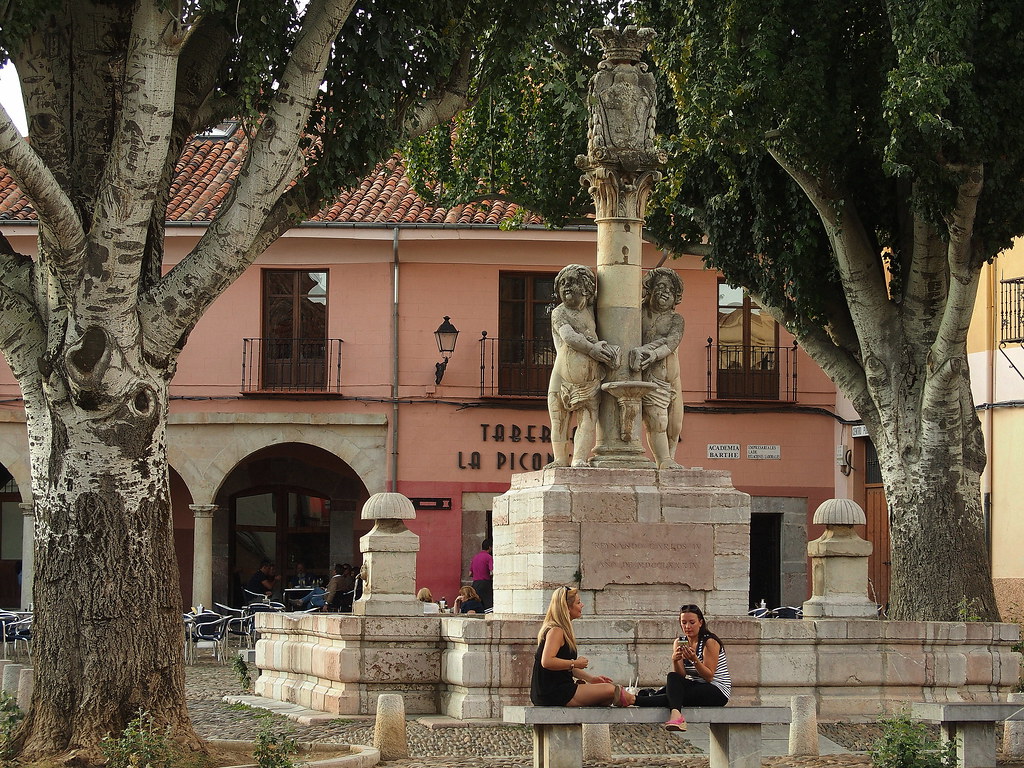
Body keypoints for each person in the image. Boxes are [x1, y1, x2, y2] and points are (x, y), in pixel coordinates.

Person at [546, 264, 619, 468]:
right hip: (561, 377)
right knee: (559, 420)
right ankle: (560, 459)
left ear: (586, 288)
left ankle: (578, 458)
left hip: (590, 380)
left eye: (573, 281)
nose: (567, 286)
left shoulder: (592, 309)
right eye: (562, 283)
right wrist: (593, 349)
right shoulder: (559, 312)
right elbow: (569, 337)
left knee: (587, 419)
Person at [530, 586, 635, 707]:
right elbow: (547, 661)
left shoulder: (561, 630)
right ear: (567, 608)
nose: (582, 605)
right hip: (553, 692)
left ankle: (637, 698)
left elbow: (564, 665)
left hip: (556, 691)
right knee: (611, 690)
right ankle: (638, 699)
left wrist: (591, 679)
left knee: (607, 697)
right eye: (578, 602)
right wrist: (575, 662)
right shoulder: (556, 630)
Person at [635, 604, 731, 731]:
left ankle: (635, 700)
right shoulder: (679, 642)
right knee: (672, 679)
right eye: (684, 622)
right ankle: (635, 700)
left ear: (700, 623)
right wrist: (676, 660)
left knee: (671, 696)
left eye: (692, 622)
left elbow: (709, 676)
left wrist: (694, 660)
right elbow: (680, 677)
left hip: (717, 690)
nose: (688, 627)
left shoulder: (709, 642)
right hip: (695, 686)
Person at [630, 267, 684, 469]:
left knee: (673, 424)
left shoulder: (676, 320)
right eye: (660, 286)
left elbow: (671, 343)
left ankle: (669, 458)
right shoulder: (638, 313)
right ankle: (665, 461)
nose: (665, 292)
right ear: (650, 290)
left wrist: (650, 353)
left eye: (670, 289)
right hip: (643, 376)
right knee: (657, 421)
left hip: (667, 380)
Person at [469, 538, 494, 610]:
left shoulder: (475, 557)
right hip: (485, 584)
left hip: (475, 584)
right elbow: (492, 571)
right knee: (488, 606)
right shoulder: (489, 557)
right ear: (490, 547)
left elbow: (470, 573)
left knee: (476, 605)